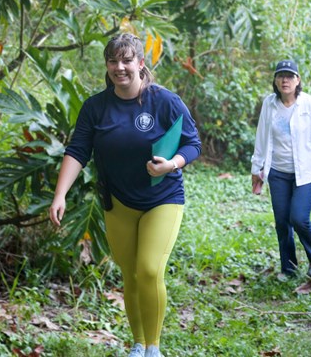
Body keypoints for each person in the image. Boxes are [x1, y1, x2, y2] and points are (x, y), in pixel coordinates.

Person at [48, 33, 201, 357]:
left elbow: (192, 143)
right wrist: (60, 194)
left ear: (140, 63)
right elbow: (78, 150)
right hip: (118, 203)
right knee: (130, 274)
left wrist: (171, 164)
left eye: (127, 60)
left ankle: (154, 348)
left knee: (148, 269)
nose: (120, 67)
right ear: (107, 65)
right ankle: (138, 344)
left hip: (163, 199)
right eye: (113, 61)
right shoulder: (96, 107)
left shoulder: (165, 101)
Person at [251, 59, 311, 281]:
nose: (285, 80)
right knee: (281, 221)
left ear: (298, 80)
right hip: (278, 171)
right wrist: (256, 168)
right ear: (275, 81)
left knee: (298, 217)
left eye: (290, 76)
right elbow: (261, 137)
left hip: (306, 172)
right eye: (280, 76)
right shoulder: (269, 104)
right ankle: (288, 267)